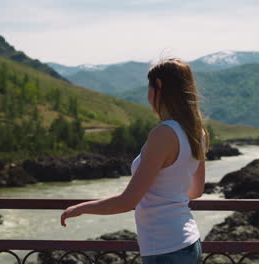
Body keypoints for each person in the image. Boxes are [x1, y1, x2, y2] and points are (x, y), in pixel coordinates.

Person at [60, 58, 209, 264]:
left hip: (165, 248)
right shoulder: (197, 131)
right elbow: (196, 190)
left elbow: (127, 201)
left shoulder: (164, 134)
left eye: (148, 87)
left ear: (158, 86)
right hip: (189, 242)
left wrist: (82, 208)